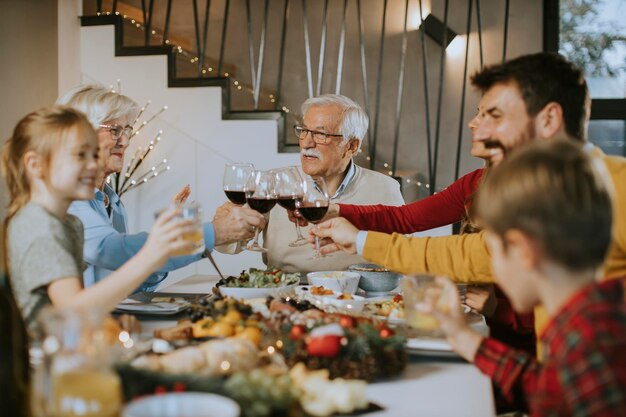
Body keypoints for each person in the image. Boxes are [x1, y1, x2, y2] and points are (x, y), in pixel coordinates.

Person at [311, 52, 626, 340]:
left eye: (495, 115)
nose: (478, 127)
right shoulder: (539, 192)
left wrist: (360, 240)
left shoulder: (616, 186)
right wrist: (349, 225)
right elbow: (467, 252)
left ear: (548, 120)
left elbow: (468, 255)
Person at [420, 139, 626, 416]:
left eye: (490, 250)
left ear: (522, 251)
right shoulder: (589, 315)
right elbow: (546, 390)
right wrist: (463, 337)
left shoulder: (589, 343)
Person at [56, 85, 266, 291]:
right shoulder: (66, 200)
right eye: (114, 130)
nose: (126, 141)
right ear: (79, 134)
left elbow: (133, 279)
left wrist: (174, 233)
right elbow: (110, 250)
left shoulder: (113, 203)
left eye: (127, 130)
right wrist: (212, 233)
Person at [1, 106, 197, 324]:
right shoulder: (38, 224)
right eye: (80, 155)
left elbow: (79, 302)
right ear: (35, 164)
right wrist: (150, 254)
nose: (93, 165)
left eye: (94, 155)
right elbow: (73, 311)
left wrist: (107, 323)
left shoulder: (69, 223)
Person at [262, 94, 404, 273]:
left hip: (356, 295)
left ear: (351, 146)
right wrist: (230, 222)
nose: (306, 142)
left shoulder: (386, 189)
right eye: (304, 130)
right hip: (284, 290)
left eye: (321, 134)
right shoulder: (275, 182)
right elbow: (229, 242)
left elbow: (401, 255)